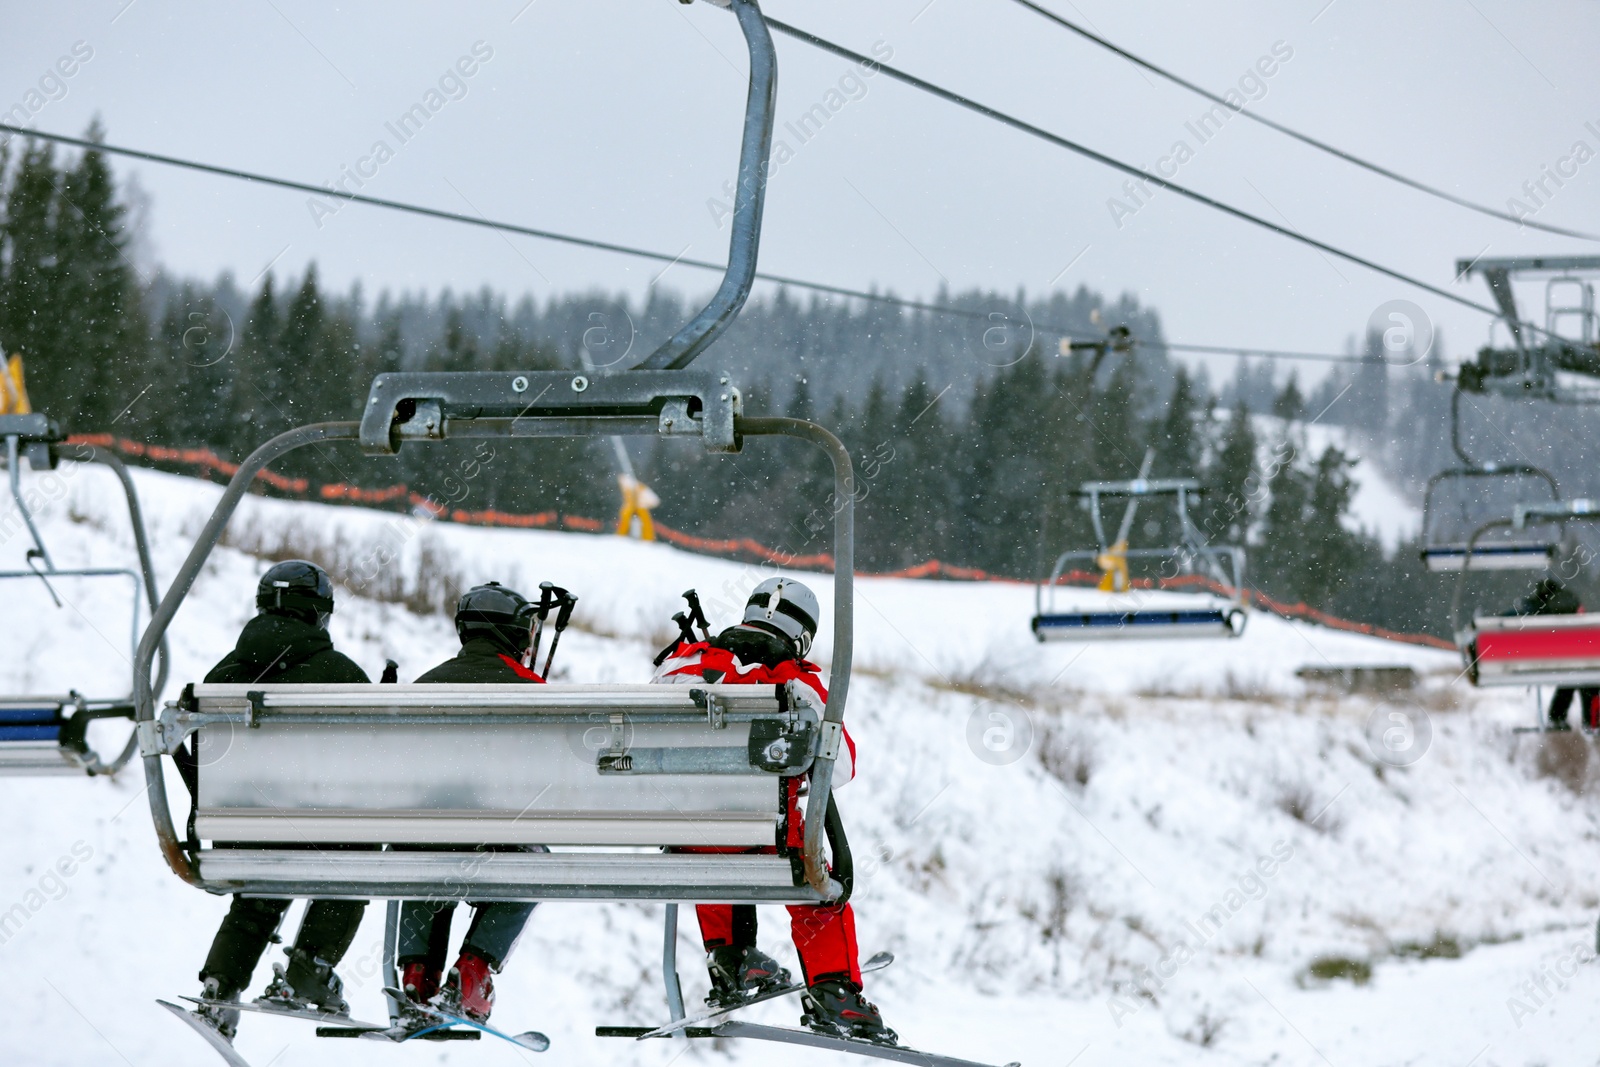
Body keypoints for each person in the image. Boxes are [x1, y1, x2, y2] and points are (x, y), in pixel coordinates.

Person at [652, 577, 895, 1043]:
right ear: (802, 636)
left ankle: (732, 960)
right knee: (815, 876)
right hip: (765, 840)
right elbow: (839, 767)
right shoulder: (797, 683)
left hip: (687, 838)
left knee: (710, 835)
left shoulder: (682, 665)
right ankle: (834, 990)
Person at [192, 561, 371, 1042]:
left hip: (239, 832)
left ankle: (220, 983)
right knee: (356, 853)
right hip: (322, 832)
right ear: (319, 615)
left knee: (263, 873)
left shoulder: (221, 676)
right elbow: (374, 762)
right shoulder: (341, 675)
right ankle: (310, 968)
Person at [396, 582, 548, 1023]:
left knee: (425, 856)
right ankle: (472, 972)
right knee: (533, 867)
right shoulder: (532, 689)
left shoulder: (422, 686)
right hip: (493, 840)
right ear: (516, 633)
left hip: (421, 837)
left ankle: (417, 974)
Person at [1510, 577, 1597, 730]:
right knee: (1585, 678)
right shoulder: (1569, 599)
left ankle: (1557, 717)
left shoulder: (1540, 606)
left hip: (1553, 659)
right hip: (1580, 656)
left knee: (1571, 677)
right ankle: (1590, 720)